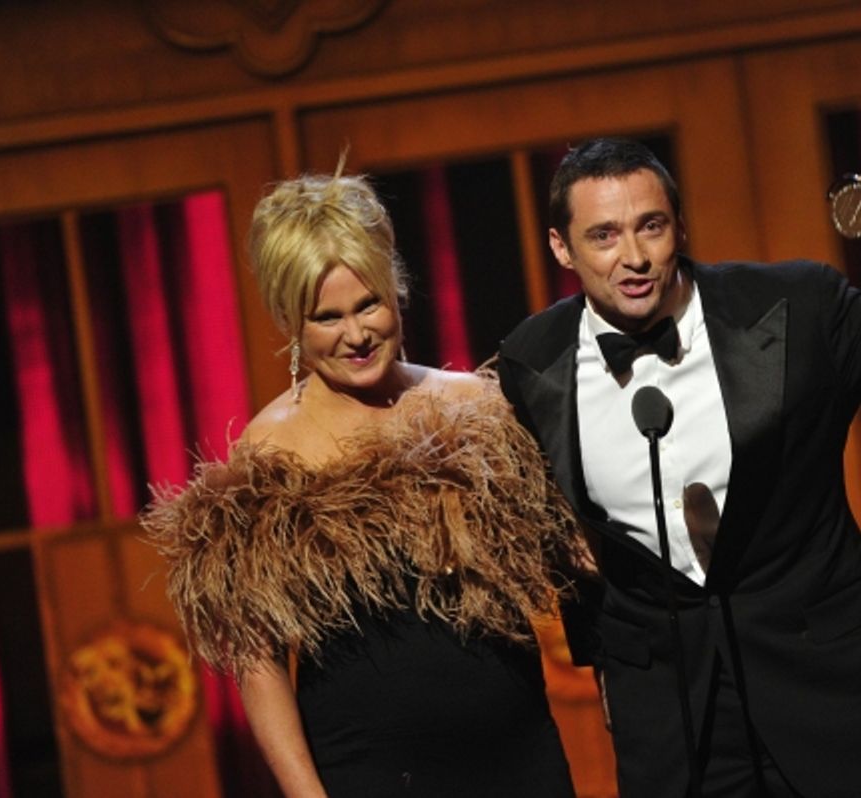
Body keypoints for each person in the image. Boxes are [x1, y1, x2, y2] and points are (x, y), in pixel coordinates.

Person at [496, 137, 861, 798]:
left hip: (840, 702)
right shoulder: (531, 363)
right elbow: (539, 527)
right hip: (677, 732)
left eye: (650, 227)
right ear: (561, 247)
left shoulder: (800, 306)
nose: (632, 257)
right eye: (603, 236)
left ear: (680, 227)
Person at [143, 165, 590, 797]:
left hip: (518, 758)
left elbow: (570, 558)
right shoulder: (268, 454)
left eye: (368, 304)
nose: (355, 335)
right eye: (326, 317)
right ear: (290, 323)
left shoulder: (475, 407)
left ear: (396, 289)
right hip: (368, 773)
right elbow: (257, 660)